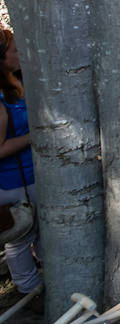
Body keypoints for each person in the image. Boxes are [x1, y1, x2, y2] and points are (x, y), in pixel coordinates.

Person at [0, 28, 40, 296]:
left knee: (42, 231)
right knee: (20, 237)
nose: (21, 54)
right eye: (15, 51)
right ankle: (29, 291)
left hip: (34, 175)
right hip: (14, 182)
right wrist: (34, 136)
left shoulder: (20, 80)